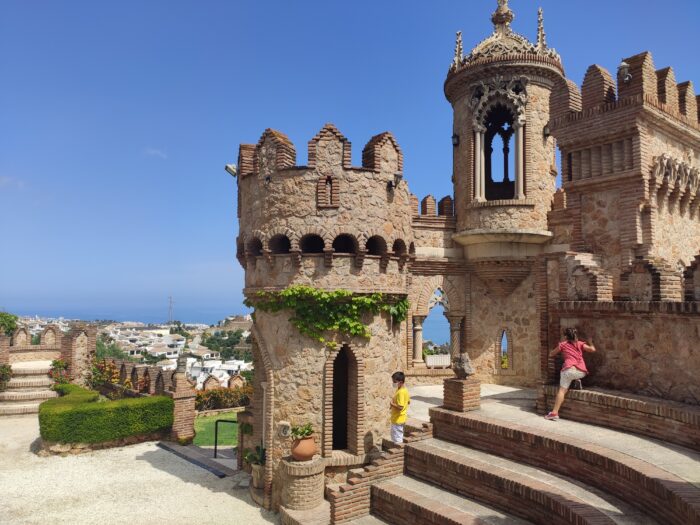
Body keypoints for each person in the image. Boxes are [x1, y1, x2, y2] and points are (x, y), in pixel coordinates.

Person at [545, 327, 596, 421]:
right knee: (572, 376)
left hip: (568, 371)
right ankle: (576, 380)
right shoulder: (580, 344)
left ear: (565, 336)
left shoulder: (563, 344)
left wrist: (559, 346)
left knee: (562, 391)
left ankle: (554, 413)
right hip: (581, 372)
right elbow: (593, 350)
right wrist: (590, 342)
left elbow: (551, 354)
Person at [389, 371, 410, 443]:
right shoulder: (404, 390)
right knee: (397, 436)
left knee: (397, 439)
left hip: (398, 419)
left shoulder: (401, 392)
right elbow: (408, 402)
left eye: (395, 381)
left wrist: (392, 404)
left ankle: (399, 453)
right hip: (401, 418)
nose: (393, 383)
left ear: (400, 382)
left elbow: (400, 407)